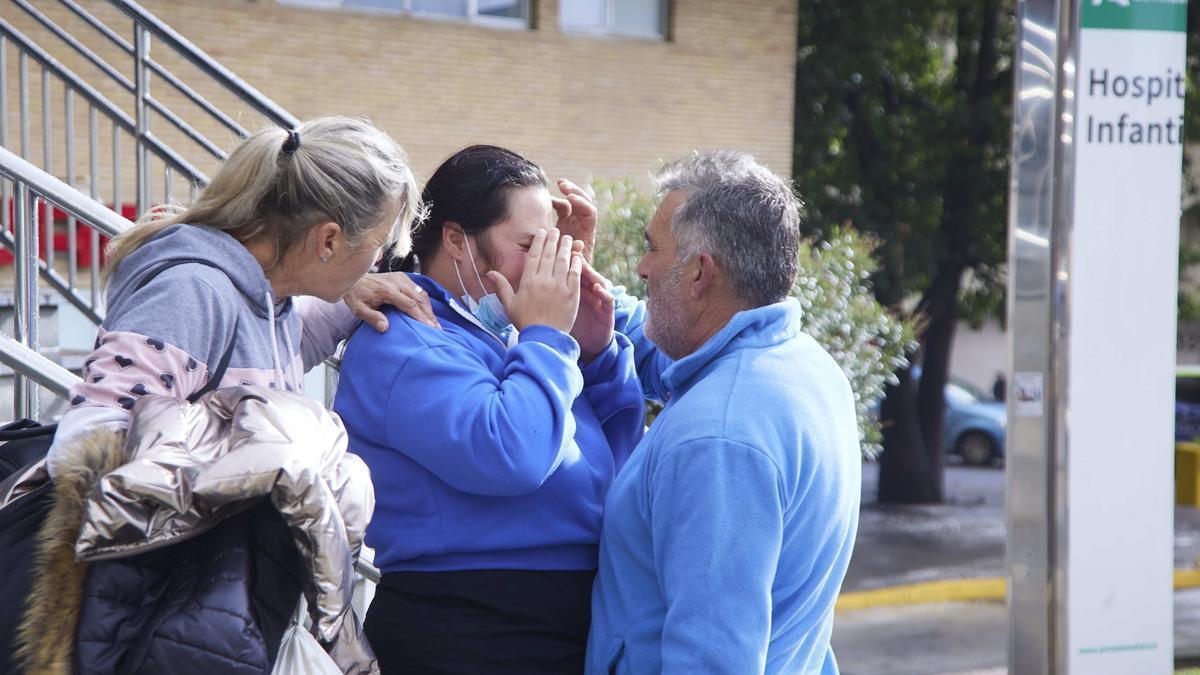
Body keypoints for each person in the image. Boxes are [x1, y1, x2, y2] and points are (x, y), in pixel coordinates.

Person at [333, 145, 645, 674]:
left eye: (554, 245)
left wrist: (595, 352)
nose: (551, 264)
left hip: (562, 616)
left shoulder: (507, 333)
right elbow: (513, 455)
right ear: (457, 240)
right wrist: (546, 337)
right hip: (469, 624)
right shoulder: (401, 340)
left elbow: (613, 468)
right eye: (530, 245)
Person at [585, 151, 862, 674]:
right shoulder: (807, 367)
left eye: (652, 249)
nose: (641, 267)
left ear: (697, 274)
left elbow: (711, 660)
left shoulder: (718, 436)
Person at [45, 116, 427, 475]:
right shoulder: (191, 293)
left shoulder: (271, 300)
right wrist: (261, 456)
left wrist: (357, 292)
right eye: (379, 244)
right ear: (328, 240)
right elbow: (88, 442)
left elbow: (273, 349)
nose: (379, 261)